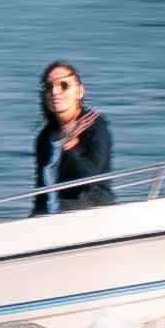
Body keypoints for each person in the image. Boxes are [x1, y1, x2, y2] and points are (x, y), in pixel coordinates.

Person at [32, 60, 116, 214]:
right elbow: (41, 193)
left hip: (89, 216)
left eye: (64, 86)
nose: (55, 92)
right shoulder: (44, 137)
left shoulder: (95, 126)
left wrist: (69, 144)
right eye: (49, 87)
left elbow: (89, 181)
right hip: (49, 220)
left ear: (79, 91)